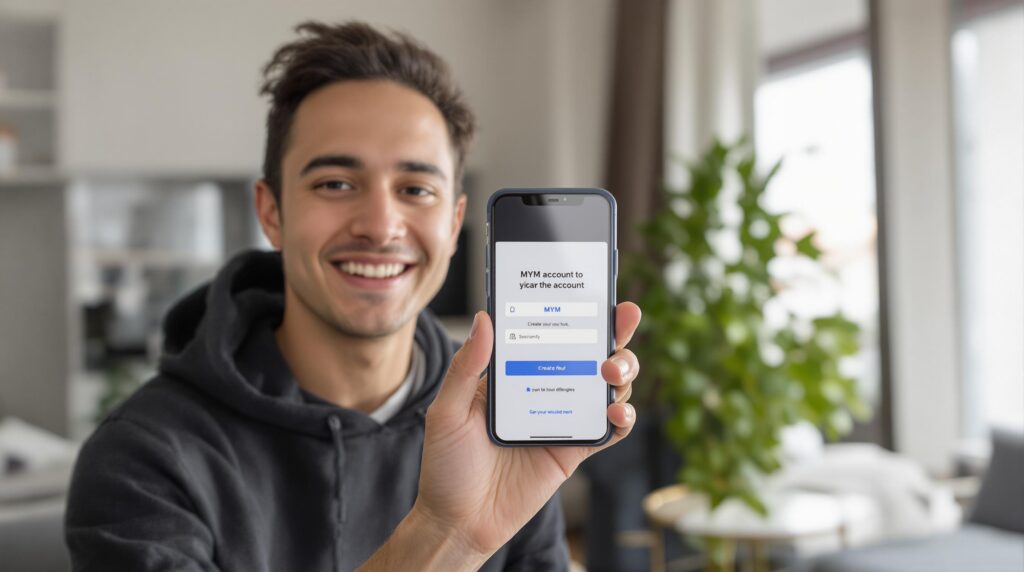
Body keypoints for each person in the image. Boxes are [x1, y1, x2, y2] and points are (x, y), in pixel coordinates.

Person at [65, 20, 641, 571]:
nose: (381, 224)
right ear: (271, 211)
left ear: (454, 223)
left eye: (416, 188)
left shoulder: (502, 417)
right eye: (336, 184)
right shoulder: (143, 458)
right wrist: (447, 537)